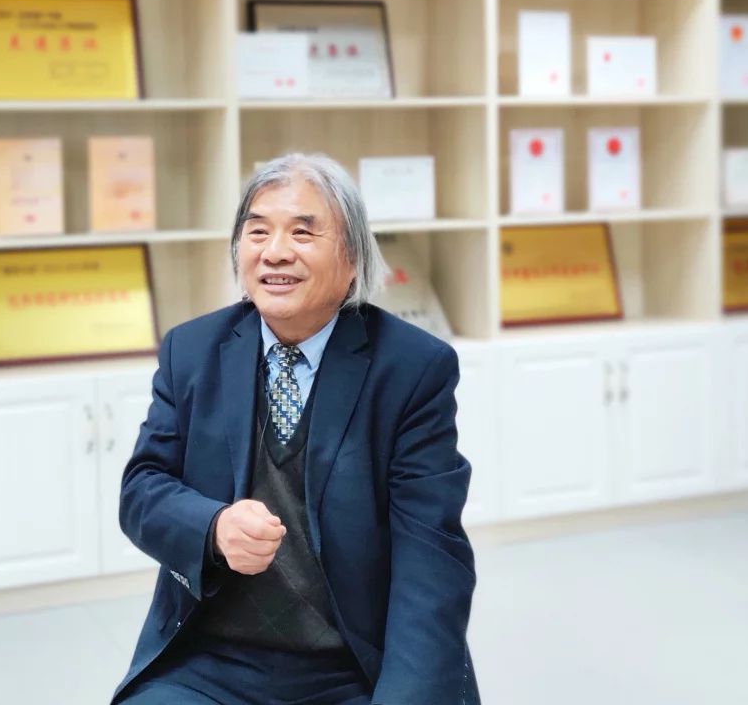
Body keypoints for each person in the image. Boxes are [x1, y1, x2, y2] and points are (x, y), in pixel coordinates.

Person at [110, 153, 479, 705]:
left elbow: (430, 559)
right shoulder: (192, 351)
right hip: (211, 661)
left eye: (303, 233)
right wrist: (213, 527)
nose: (275, 251)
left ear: (352, 258)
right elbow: (142, 491)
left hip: (352, 667)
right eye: (257, 231)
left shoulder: (412, 369)